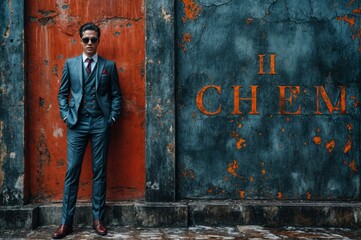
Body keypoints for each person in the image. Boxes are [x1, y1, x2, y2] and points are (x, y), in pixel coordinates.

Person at [53, 22, 122, 239]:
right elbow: (62, 93)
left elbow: (116, 95)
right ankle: (66, 223)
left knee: (99, 171)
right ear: (80, 40)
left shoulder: (108, 66)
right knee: (72, 171)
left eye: (93, 39)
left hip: (101, 124)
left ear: (98, 41)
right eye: (86, 39)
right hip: (77, 124)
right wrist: (66, 115)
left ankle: (98, 220)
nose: (90, 43)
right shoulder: (71, 65)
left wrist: (111, 117)